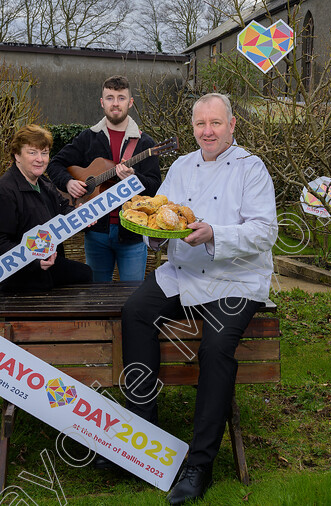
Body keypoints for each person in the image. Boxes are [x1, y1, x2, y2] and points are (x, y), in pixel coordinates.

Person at [120, 93, 278, 505]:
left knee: (216, 348)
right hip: (184, 271)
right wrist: (152, 234)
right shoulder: (182, 167)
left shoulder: (252, 169)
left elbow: (265, 232)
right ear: (192, 128)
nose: (207, 131)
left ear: (232, 125)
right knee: (135, 312)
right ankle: (141, 438)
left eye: (216, 123)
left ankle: (199, 463)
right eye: (200, 124)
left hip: (236, 280)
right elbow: (161, 215)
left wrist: (216, 234)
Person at [47, 75, 161, 282]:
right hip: (96, 232)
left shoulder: (145, 143)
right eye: (109, 98)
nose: (115, 103)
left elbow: (154, 187)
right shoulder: (87, 138)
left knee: (132, 294)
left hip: (133, 234)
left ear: (130, 102)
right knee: (96, 295)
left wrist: (135, 177)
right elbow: (55, 164)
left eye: (121, 98)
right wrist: (68, 182)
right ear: (102, 102)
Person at [0, 124, 92, 293]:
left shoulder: (44, 184)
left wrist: (80, 216)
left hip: (47, 266)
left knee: (85, 274)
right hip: (17, 277)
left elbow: (63, 210)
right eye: (32, 152)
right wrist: (33, 261)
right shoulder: (2, 193)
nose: (40, 159)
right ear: (17, 155)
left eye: (44, 153)